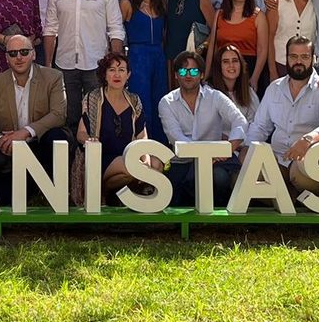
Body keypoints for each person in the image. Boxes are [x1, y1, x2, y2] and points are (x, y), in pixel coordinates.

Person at [0, 34, 72, 205]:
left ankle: (54, 195)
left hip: (39, 142)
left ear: (33, 54)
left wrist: (26, 132)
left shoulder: (53, 77)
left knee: (58, 137)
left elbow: (58, 114)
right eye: (13, 53)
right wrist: (1, 141)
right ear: (6, 58)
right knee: (5, 199)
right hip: (9, 148)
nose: (19, 57)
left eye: (24, 52)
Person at [245, 36, 319, 198]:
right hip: (278, 159)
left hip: (311, 159)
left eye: (304, 57)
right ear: (286, 58)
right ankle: (291, 198)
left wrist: (308, 139)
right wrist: (249, 149)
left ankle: (296, 195)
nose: (299, 61)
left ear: (313, 59)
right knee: (245, 178)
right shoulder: (274, 88)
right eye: (293, 56)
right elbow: (260, 127)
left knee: (300, 175)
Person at [45, 0, 125, 129]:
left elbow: (115, 28)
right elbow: (50, 29)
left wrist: (115, 62)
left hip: (96, 63)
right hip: (64, 64)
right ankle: (72, 148)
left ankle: (98, 148)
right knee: (68, 117)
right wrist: (48, 65)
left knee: (98, 116)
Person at [157, 50, 247, 206]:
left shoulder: (215, 97)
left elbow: (240, 121)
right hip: (183, 161)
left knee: (220, 177)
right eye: (183, 71)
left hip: (216, 161)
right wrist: (204, 155)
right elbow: (176, 138)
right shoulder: (167, 102)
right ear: (176, 75)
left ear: (202, 75)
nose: (188, 75)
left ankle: (218, 214)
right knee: (174, 195)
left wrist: (227, 149)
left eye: (193, 71)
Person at [79, 52, 148, 203]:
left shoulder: (134, 100)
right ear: (104, 75)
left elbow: (142, 136)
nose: (117, 74)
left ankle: (113, 194)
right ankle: (101, 190)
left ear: (128, 75)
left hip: (128, 155)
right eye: (112, 70)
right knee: (132, 168)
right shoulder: (93, 98)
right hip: (103, 157)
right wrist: (89, 141)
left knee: (155, 165)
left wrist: (146, 158)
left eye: (121, 70)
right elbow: (81, 133)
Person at [120, 0, 168, 139]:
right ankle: (141, 145)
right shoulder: (127, 3)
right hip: (137, 57)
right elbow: (116, 32)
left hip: (159, 58)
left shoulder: (161, 5)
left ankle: (160, 145)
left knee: (160, 101)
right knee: (141, 101)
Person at [204, 0, 269, 87]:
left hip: (248, 71)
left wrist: (255, 78)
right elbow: (212, 48)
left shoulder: (258, 16)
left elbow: (262, 50)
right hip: (222, 70)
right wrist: (207, 75)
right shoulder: (219, 15)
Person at [263, 0, 317, 85]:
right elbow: (269, 37)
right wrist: (272, 71)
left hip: (307, 68)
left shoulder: (317, 1)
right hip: (280, 65)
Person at [208, 44, 260, 126]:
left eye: (235, 61)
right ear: (219, 66)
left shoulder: (248, 91)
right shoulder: (209, 92)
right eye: (226, 62)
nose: (231, 65)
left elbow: (256, 123)